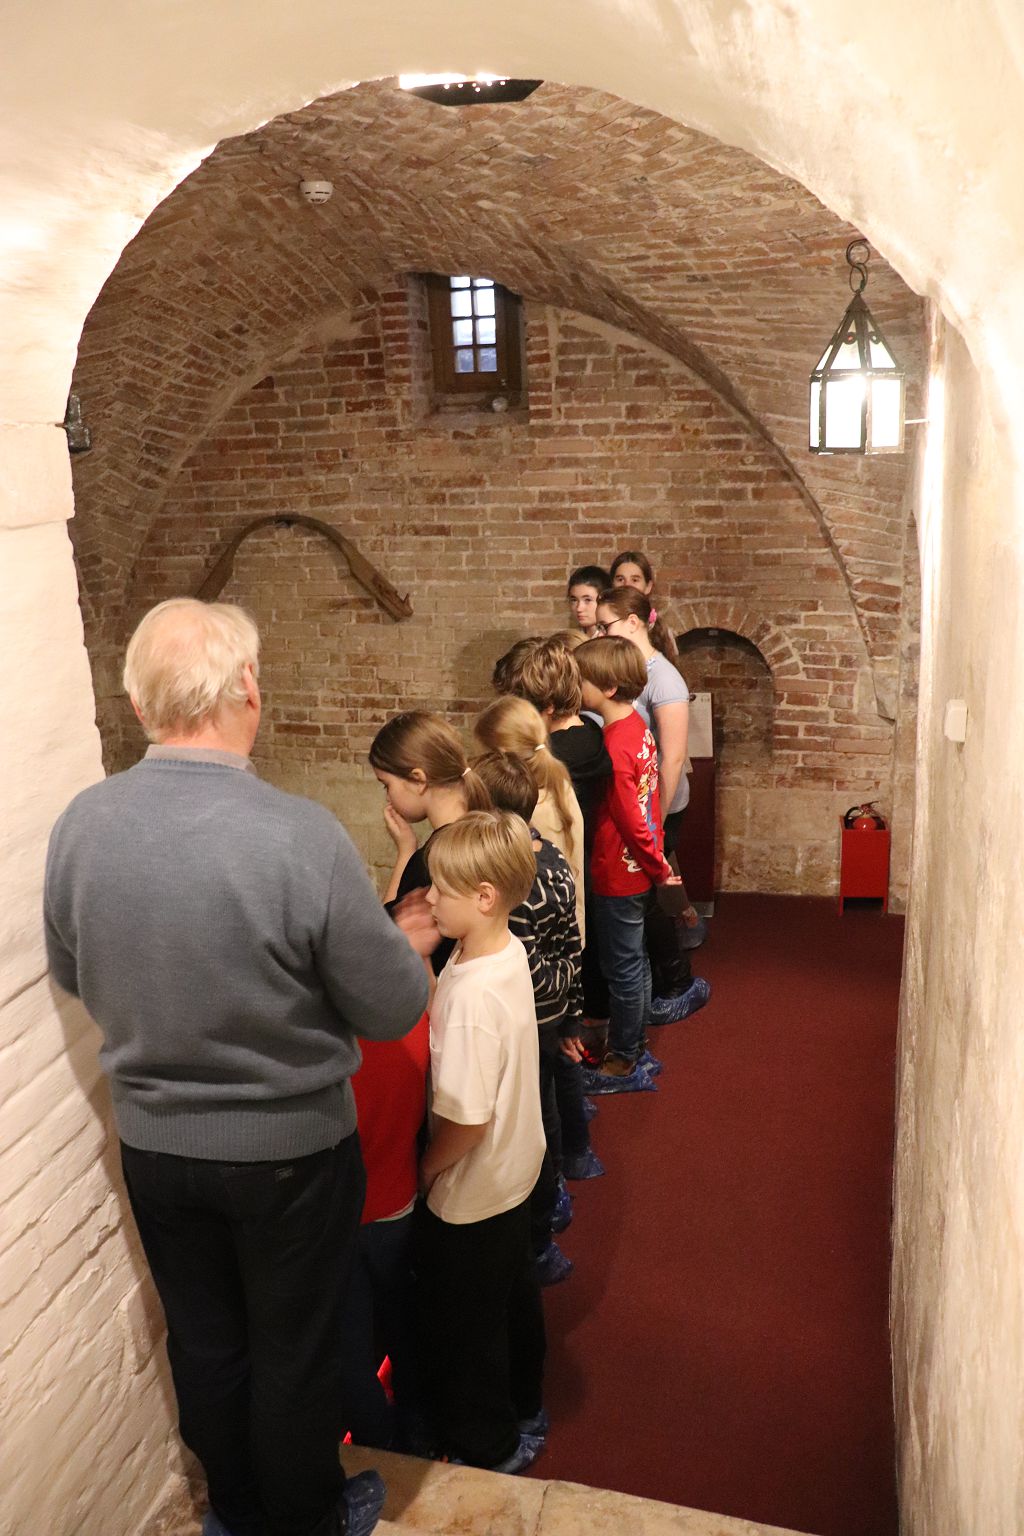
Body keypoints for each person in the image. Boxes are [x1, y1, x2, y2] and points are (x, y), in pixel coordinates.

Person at [43, 598, 434, 1536]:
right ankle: (302, 1521)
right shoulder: (299, 835)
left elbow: (72, 973)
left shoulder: (81, 823)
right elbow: (393, 1005)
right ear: (248, 689)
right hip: (291, 1151)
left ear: (140, 705)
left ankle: (236, 1511)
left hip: (155, 1147)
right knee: (295, 1351)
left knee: (208, 1345)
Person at [417, 812, 548, 1473]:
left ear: (485, 896)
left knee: (468, 1329)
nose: (429, 898)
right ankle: (527, 1404)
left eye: (441, 888)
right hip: (516, 1168)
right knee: (512, 1294)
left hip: (472, 1191)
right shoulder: (501, 949)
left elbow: (467, 1122)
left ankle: (489, 1445)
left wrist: (424, 1171)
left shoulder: (473, 1000)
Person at [472, 751, 594, 1279]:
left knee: (533, 1122)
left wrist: (558, 1010)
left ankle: (538, 1232)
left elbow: (530, 966)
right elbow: (570, 945)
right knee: (542, 1112)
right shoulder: (553, 858)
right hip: (552, 1015)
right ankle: (547, 1208)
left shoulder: (517, 880)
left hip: (529, 1021)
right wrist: (572, 1017)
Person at [596, 587, 711, 1024]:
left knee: (649, 899)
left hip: (657, 804)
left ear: (632, 622)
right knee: (643, 900)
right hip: (636, 803)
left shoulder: (664, 678)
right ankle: (661, 984)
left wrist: (654, 824)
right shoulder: (627, 667)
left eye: (605, 625)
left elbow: (673, 758)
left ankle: (677, 982)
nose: (599, 633)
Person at [572, 636, 681, 1091]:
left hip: (620, 873)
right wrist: (657, 861)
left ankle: (623, 1058)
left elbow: (632, 819)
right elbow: (650, 805)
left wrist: (656, 865)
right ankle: (634, 1044)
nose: (575, 685)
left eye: (581, 679)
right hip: (638, 868)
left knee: (623, 970)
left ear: (609, 687)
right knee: (635, 963)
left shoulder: (615, 746)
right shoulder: (637, 727)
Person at [495, 635, 612, 1038]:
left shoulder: (551, 760)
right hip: (577, 872)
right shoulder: (589, 730)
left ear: (545, 708)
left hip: (549, 887)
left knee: (554, 1001)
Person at [369, 710, 492, 974]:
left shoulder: (431, 862)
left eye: (386, 785)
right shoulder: (482, 829)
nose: (388, 797)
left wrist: (405, 853)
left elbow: (386, 941)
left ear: (418, 780)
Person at [474, 694, 585, 945]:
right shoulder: (559, 784)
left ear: (501, 757)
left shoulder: (531, 808)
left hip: (536, 935)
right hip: (564, 928)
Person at [609, 548, 680, 658]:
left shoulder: (660, 630)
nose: (627, 585)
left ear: (648, 586)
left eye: (635, 580)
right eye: (620, 579)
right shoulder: (605, 627)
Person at [566, 564, 611, 639]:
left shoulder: (612, 640)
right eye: (574, 600)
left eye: (587, 600)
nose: (579, 608)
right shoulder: (571, 640)